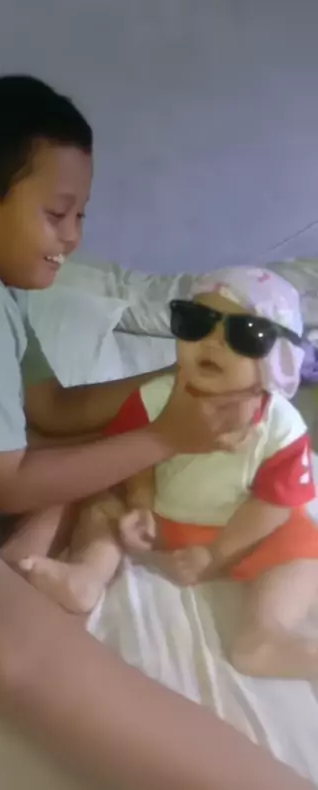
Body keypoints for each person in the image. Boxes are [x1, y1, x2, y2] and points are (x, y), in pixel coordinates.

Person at [0, 75, 311, 790]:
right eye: (57, 214)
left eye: (80, 216)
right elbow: (1, 483)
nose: (73, 238)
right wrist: (168, 437)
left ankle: (17, 569)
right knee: (15, 650)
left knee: (92, 461)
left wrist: (182, 380)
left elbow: (55, 408)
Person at [22, 267, 318, 679]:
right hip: (163, 518)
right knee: (100, 503)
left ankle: (264, 634)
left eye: (244, 333)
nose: (212, 341)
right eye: (197, 323)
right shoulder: (153, 398)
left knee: (303, 543)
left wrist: (216, 554)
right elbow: (134, 457)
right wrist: (141, 502)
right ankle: (88, 576)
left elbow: (274, 503)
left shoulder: (283, 427)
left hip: (244, 531)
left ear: (279, 358)